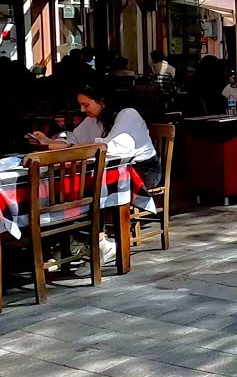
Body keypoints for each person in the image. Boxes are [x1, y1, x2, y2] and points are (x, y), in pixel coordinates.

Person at [26, 85, 162, 267]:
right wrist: (48, 141)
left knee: (90, 191)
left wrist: (66, 147)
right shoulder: (94, 119)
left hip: (139, 170)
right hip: (107, 170)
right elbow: (75, 139)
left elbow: (109, 148)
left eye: (86, 104)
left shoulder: (128, 115)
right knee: (73, 189)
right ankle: (78, 241)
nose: (83, 110)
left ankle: (96, 243)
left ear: (101, 101)